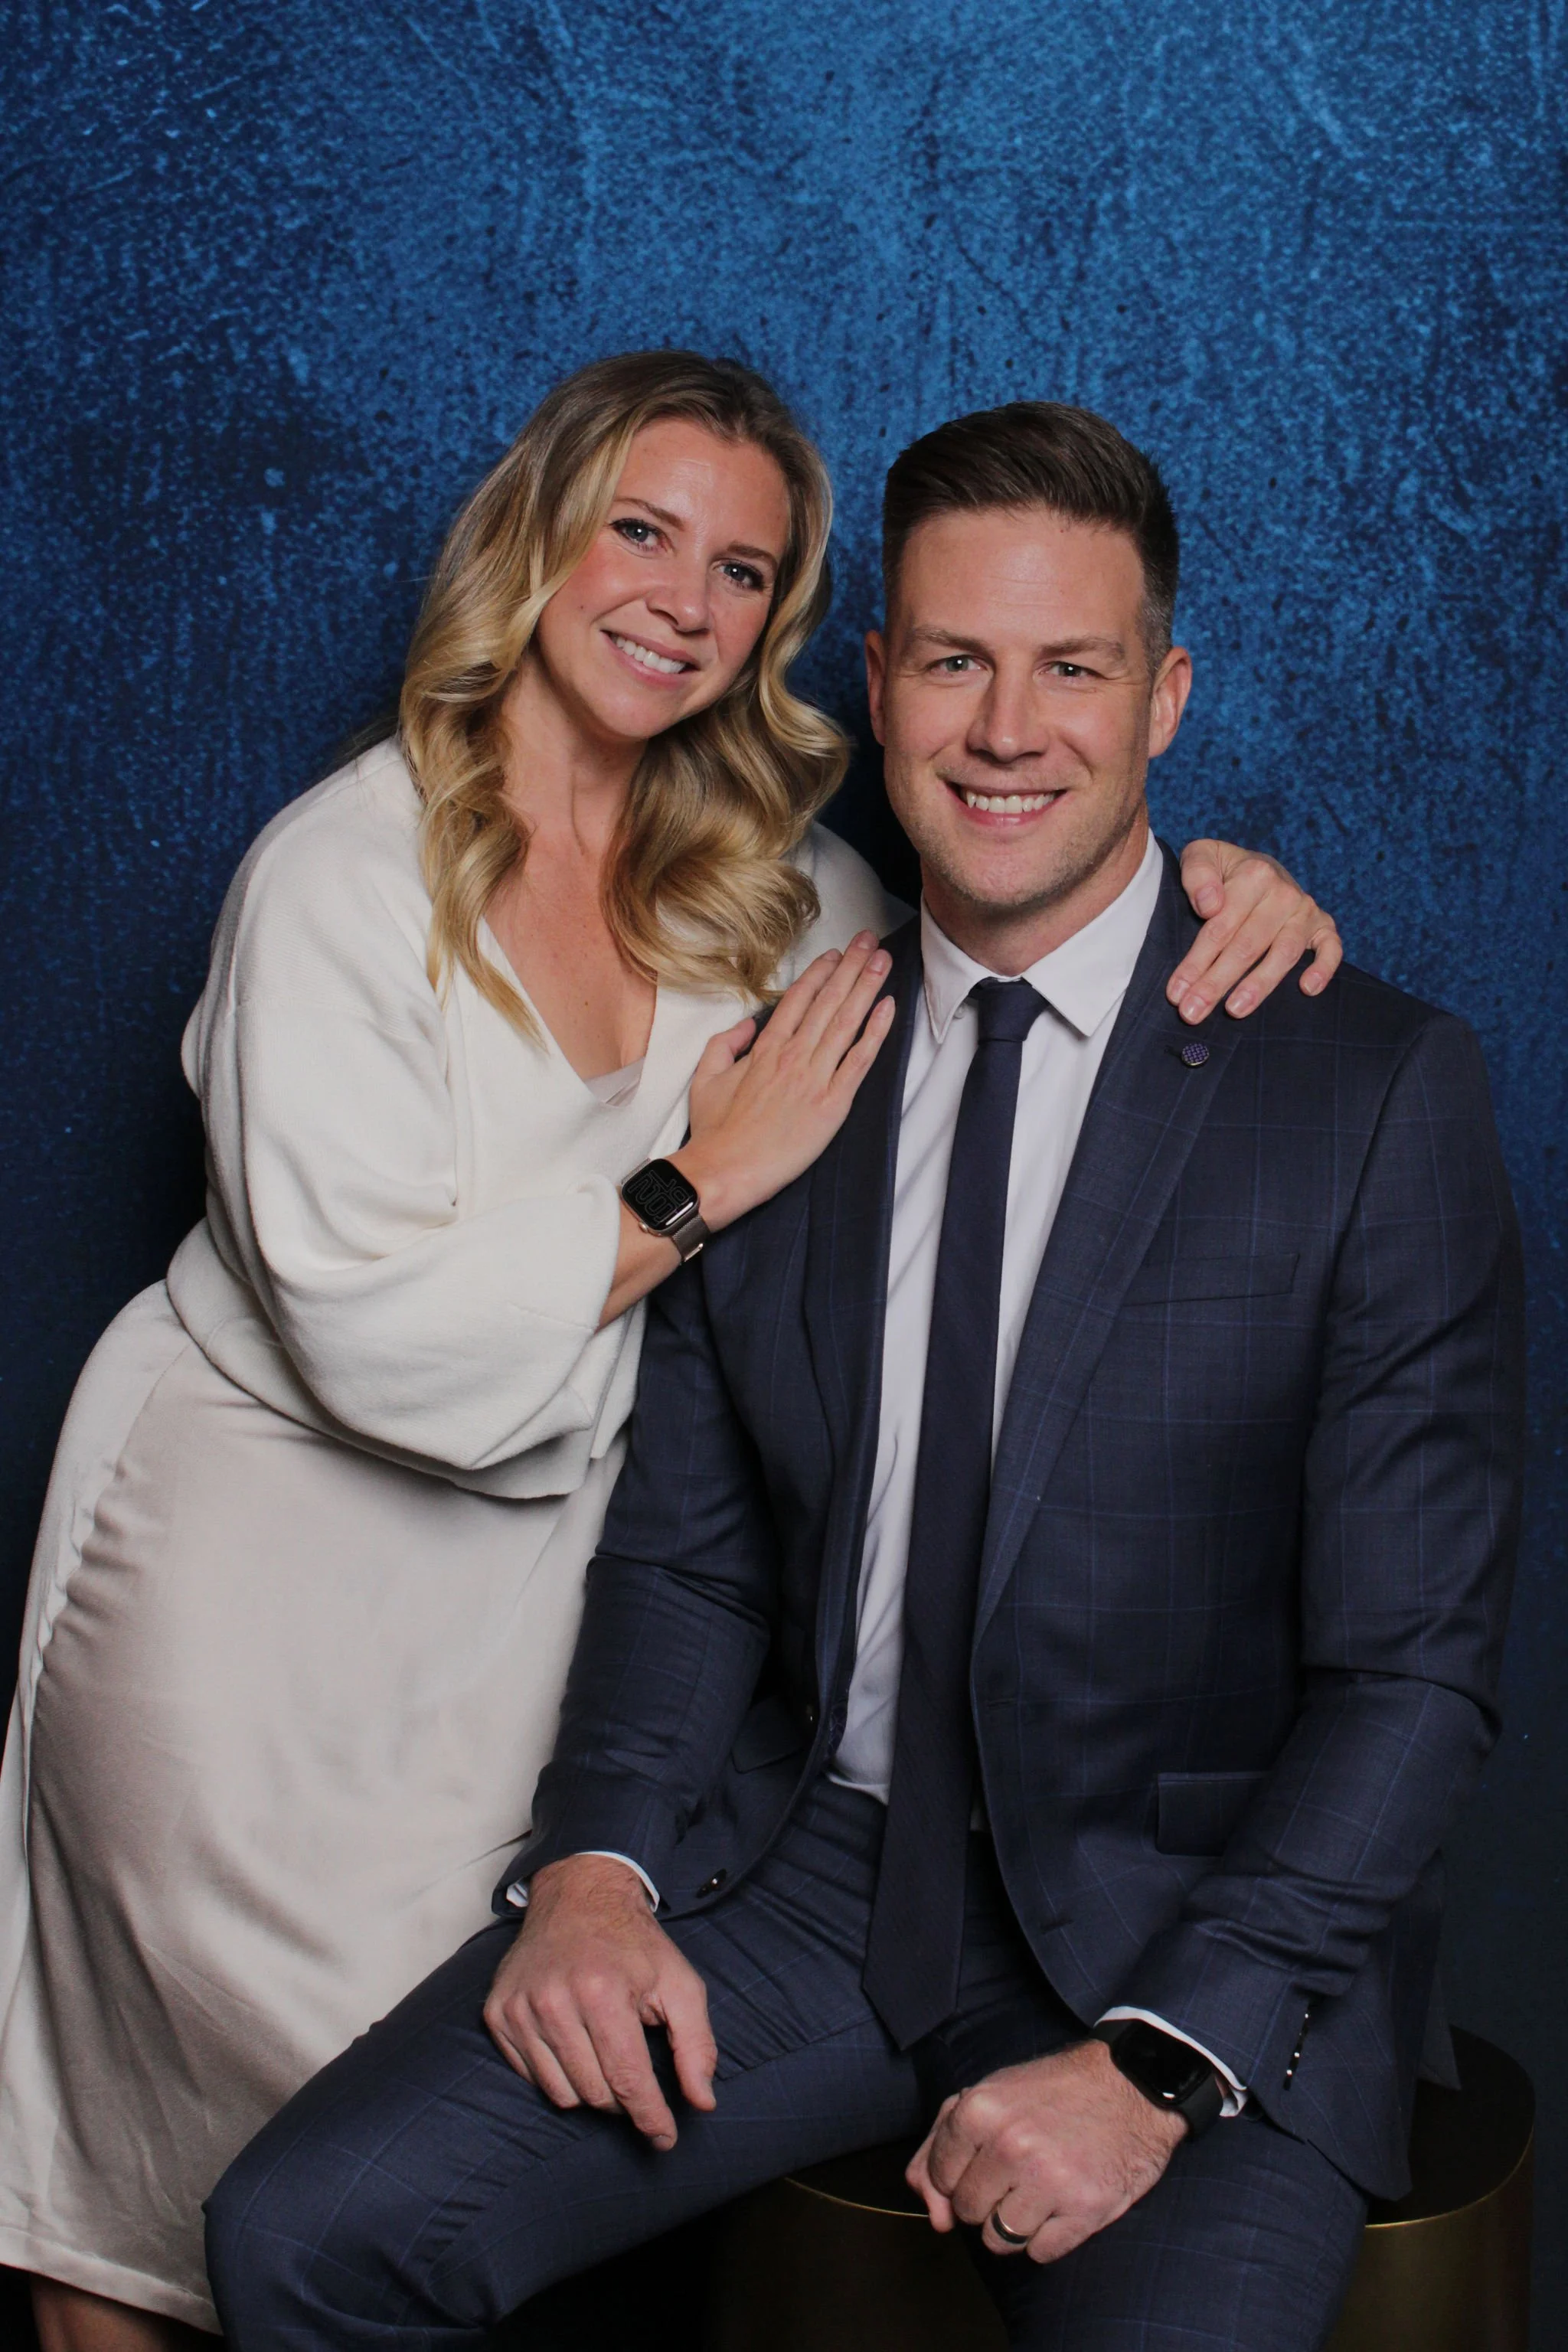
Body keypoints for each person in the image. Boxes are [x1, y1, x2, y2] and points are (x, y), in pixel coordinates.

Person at [0, 353, 1341, 2352]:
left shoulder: (784, 897)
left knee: (411, 2140)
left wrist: (1218, 893)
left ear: (793, 631)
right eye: (639, 531)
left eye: (742, 567)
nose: (681, 600)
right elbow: (366, 1334)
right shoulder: (340, 877)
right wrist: (691, 1185)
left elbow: (1023, 892)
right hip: (252, 1586)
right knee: (141, 2200)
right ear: (532, 542)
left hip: (530, 1619)